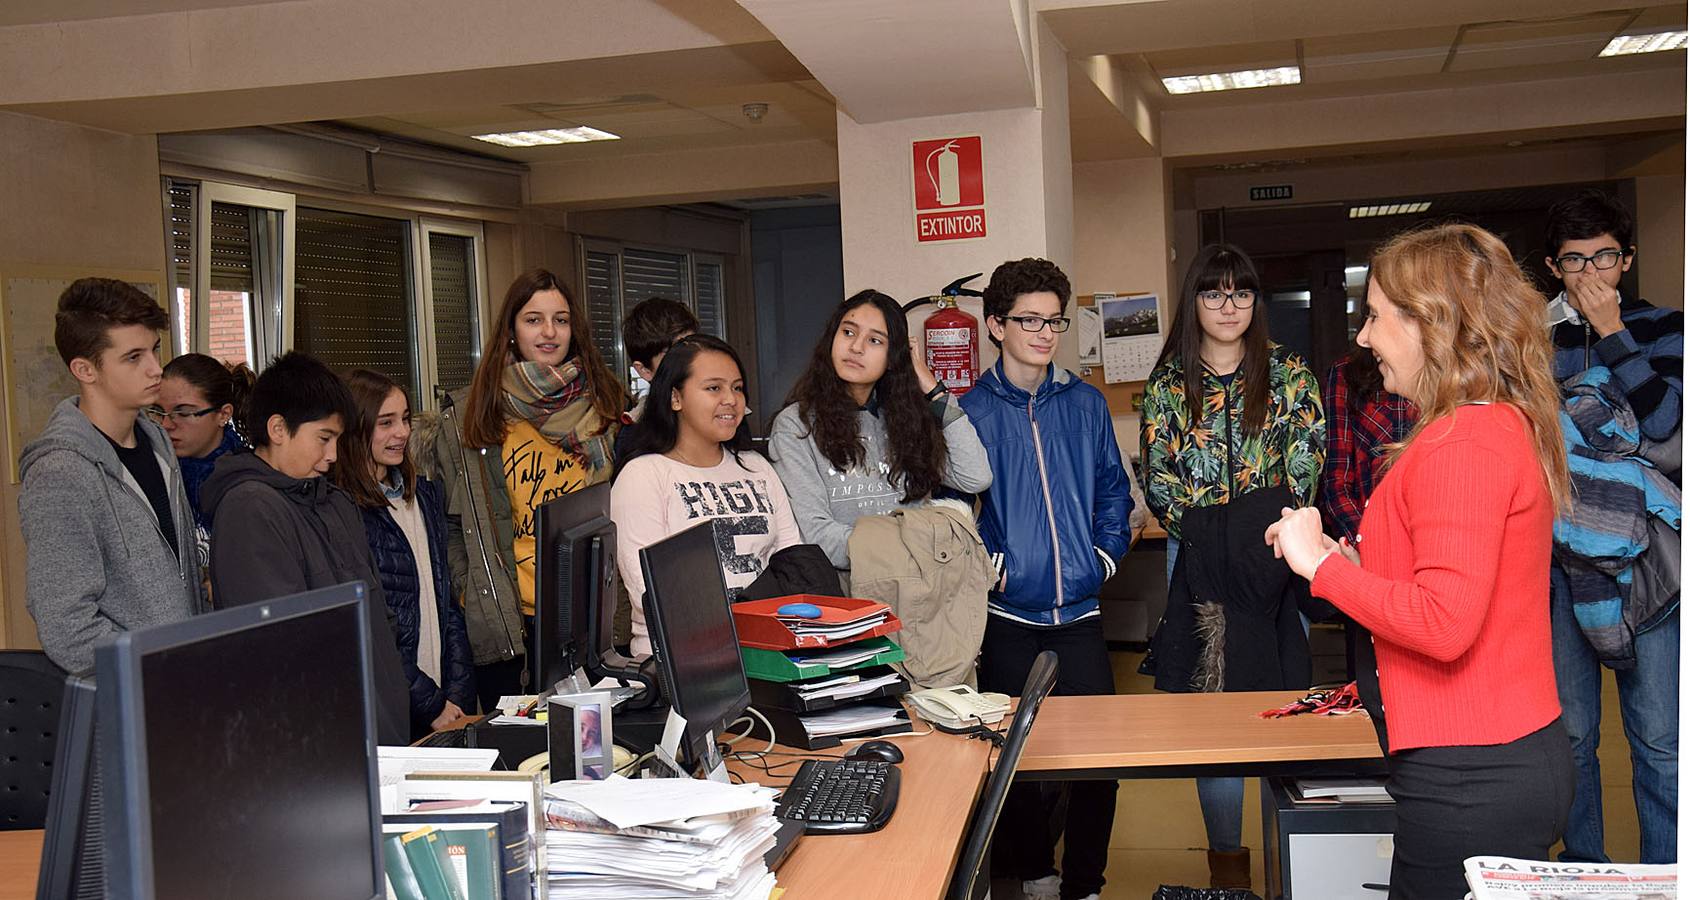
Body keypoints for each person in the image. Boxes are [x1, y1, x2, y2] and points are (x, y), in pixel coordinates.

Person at [1266, 223, 1575, 898]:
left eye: (1376, 317)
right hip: (1489, 760)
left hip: (1472, 773)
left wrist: (1323, 570)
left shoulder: (1461, 442)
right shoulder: (1489, 424)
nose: (1364, 337)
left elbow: (1443, 622)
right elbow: (1453, 582)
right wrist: (1338, 557)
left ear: (1431, 322)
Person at [1139, 243, 1325, 889]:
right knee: (1211, 715)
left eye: (1241, 293)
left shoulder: (1290, 375)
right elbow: (1159, 479)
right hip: (1192, 560)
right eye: (1214, 293)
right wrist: (1211, 532)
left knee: (1281, 700)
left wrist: (1250, 529)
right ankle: (1228, 872)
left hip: (1275, 556)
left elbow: (1306, 466)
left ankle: (1293, 851)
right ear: (1193, 300)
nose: (1228, 306)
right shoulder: (1168, 384)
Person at [960, 258, 1131, 900]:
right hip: (1007, 619)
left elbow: (1114, 491)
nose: (1043, 332)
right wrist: (984, 565)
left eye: (1053, 320)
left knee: (1099, 766)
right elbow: (949, 510)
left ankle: (1085, 884)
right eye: (1027, 319)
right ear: (996, 324)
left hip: (1080, 618)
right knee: (1015, 764)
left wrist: (1104, 558)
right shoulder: (967, 412)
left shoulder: (1084, 404)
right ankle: (1034, 874)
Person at [1542, 189, 1682, 864]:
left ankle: (1665, 874)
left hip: (1648, 563)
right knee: (1573, 738)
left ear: (1624, 260)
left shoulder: (1665, 327)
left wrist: (1613, 337)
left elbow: (1664, 428)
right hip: (1562, 561)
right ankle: (1588, 872)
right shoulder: (1535, 345)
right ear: (1555, 268)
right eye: (1575, 261)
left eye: (1604, 257)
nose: (1592, 273)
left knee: (1657, 740)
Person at [416, 269, 626, 711]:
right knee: (519, 761)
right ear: (510, 329)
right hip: (509, 623)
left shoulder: (606, 406)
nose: (549, 332)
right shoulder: (471, 416)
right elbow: (453, 527)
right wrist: (468, 591)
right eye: (534, 319)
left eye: (561, 319)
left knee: (594, 757)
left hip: (588, 617)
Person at [201, 351, 409, 745]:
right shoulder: (250, 509)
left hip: (379, 729)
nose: (332, 456)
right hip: (320, 744)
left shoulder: (334, 502)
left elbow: (379, 620)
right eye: (323, 439)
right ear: (278, 428)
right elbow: (281, 651)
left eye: (337, 440)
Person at [19, 278, 203, 674]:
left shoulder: (158, 442)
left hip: (185, 689)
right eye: (133, 357)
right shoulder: (60, 472)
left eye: (154, 349)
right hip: (130, 703)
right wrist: (156, 669)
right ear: (85, 369)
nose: (156, 369)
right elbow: (67, 627)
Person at [768, 289, 992, 569]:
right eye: (848, 333)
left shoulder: (906, 419)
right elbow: (817, 535)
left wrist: (934, 391)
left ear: (894, 357)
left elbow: (975, 477)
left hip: (919, 594)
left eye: (875, 340)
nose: (856, 347)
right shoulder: (796, 425)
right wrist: (915, 550)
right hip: (851, 599)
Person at [610, 335, 801, 657]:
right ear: (675, 398)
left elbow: (792, 563)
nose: (731, 399)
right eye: (714, 388)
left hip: (769, 650)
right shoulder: (642, 476)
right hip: (682, 661)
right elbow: (653, 595)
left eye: (737, 388)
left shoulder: (756, 467)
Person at [334, 369, 476, 740]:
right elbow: (372, 631)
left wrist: (457, 695)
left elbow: (447, 605)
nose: (402, 432)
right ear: (355, 429)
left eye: (405, 419)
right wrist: (430, 704)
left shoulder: (423, 497)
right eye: (386, 423)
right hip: (397, 710)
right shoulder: (345, 513)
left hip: (446, 703)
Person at [155, 352, 253, 584]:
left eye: (184, 412)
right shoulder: (156, 473)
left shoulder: (247, 482)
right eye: (158, 412)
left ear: (223, 414)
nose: (167, 424)